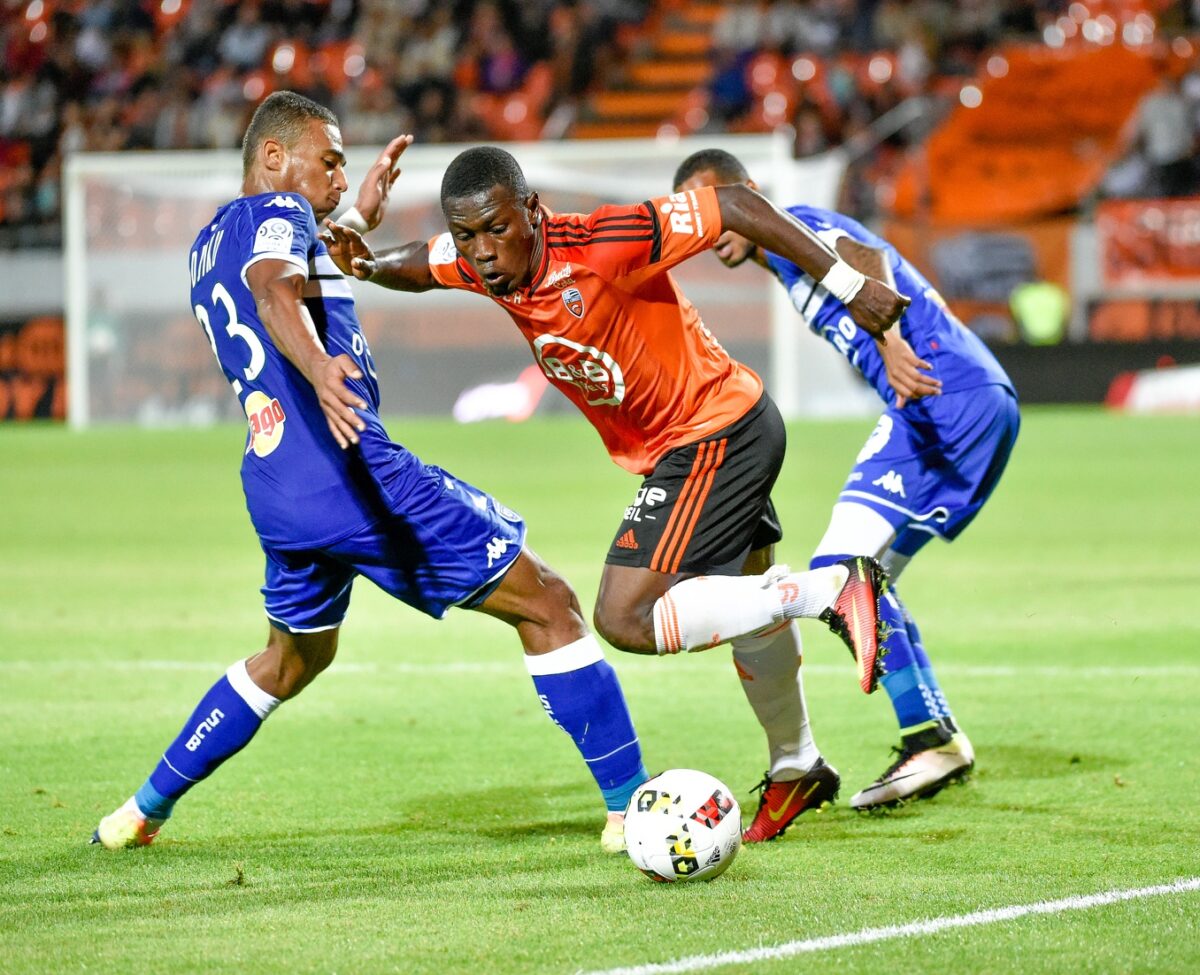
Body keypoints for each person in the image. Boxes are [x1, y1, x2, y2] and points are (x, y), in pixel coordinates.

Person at [91, 92, 649, 854]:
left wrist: (355, 223)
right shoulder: (277, 215)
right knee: (549, 602)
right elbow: (274, 286)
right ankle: (631, 809)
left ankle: (139, 811)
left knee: (292, 659)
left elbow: (280, 268)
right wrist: (322, 369)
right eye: (330, 160)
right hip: (351, 468)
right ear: (275, 159)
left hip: (277, 485)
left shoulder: (211, 240)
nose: (339, 174)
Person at [320, 143, 911, 844]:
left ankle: (832, 589)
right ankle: (798, 763)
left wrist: (844, 282)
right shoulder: (489, 264)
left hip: (712, 435)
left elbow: (733, 205)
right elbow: (426, 261)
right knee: (750, 609)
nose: (482, 252)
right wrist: (369, 264)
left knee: (625, 615)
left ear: (532, 211)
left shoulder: (606, 243)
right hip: (720, 427)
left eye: (497, 230)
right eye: (469, 235)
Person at [673, 148, 1020, 811]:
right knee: (860, 581)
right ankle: (932, 734)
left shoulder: (793, 222)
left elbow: (869, 264)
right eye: (697, 217)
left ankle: (932, 737)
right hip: (957, 400)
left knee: (840, 574)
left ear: (745, 193)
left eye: (715, 207)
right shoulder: (779, 256)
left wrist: (891, 344)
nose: (708, 228)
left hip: (943, 399)